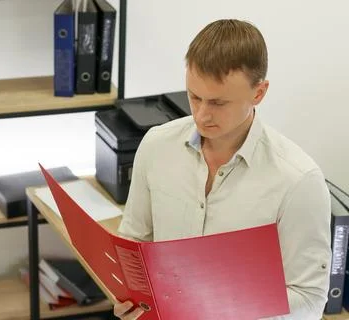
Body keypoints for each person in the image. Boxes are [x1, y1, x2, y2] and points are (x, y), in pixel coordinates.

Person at [113, 19, 331, 320]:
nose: (202, 115)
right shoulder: (156, 146)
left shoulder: (298, 181)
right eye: (194, 96)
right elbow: (134, 241)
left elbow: (310, 299)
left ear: (259, 93)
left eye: (218, 103)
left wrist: (224, 308)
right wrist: (127, 293)